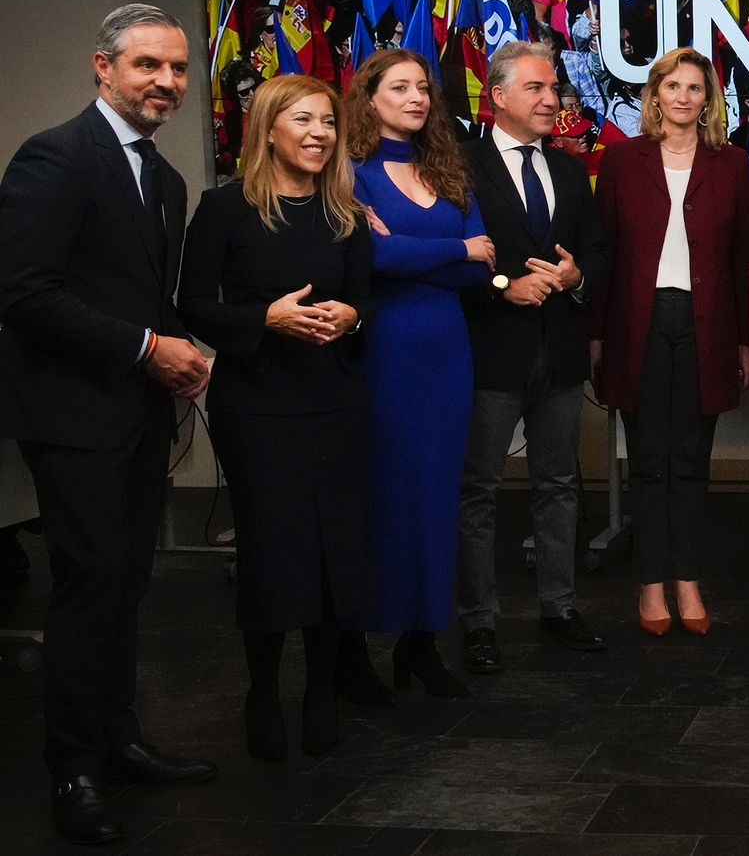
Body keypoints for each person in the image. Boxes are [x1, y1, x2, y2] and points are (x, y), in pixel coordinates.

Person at [0, 2, 217, 846]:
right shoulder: (55, 157)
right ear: (104, 68)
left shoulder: (164, 180)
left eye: (177, 68)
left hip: (136, 414)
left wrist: (182, 350)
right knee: (89, 583)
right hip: (72, 414)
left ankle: (119, 739)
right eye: (147, 66)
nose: (166, 81)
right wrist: (147, 348)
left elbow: (142, 297)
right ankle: (74, 767)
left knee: (127, 582)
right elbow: (24, 292)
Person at [179, 73, 377, 762]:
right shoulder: (224, 209)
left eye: (329, 121)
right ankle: (262, 690)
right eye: (305, 120)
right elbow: (193, 306)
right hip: (258, 407)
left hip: (336, 402)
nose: (321, 133)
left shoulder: (346, 213)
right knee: (271, 552)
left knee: (332, 553)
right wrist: (264, 318)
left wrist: (351, 317)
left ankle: (321, 690)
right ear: (268, 130)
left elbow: (365, 302)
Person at [344, 48, 496, 698]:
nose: (416, 98)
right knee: (380, 496)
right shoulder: (350, 172)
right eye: (400, 87)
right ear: (369, 97)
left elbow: (483, 267)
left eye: (422, 89)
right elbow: (372, 259)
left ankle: (421, 643)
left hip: (447, 355)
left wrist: (422, 255)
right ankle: (353, 649)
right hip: (384, 355)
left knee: (437, 497)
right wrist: (455, 248)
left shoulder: (447, 168)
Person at [454, 41, 610, 674]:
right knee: (479, 490)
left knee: (559, 484)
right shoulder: (460, 167)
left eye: (553, 89)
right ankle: (479, 622)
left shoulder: (570, 170)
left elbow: (596, 250)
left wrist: (577, 276)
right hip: (492, 350)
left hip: (560, 352)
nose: (552, 100)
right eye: (537, 89)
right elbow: (448, 254)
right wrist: (502, 286)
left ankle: (559, 607)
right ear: (497, 97)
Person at [591, 46, 749, 636]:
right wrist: (595, 333)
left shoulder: (731, 164)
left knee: (689, 459)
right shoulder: (620, 160)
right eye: (672, 86)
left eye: (695, 88)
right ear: (654, 95)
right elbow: (604, 253)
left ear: (708, 99)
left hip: (707, 324)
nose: (683, 97)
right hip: (636, 323)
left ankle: (687, 580)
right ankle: (650, 585)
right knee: (648, 460)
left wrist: (746, 342)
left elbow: (743, 259)